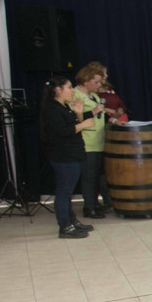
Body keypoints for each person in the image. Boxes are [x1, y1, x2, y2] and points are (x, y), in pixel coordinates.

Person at [40, 76, 97, 239]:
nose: (72, 91)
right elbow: (62, 132)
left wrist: (79, 114)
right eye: (69, 87)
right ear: (58, 90)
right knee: (64, 192)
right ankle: (64, 226)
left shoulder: (63, 107)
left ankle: (71, 221)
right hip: (63, 157)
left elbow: (72, 127)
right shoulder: (52, 109)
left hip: (72, 154)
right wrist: (83, 123)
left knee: (68, 191)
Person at [73, 65, 109, 218]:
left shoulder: (93, 95)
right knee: (89, 176)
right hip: (87, 142)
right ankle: (89, 207)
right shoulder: (76, 95)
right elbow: (75, 118)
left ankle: (95, 203)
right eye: (96, 82)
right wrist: (92, 112)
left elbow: (101, 115)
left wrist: (112, 118)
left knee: (96, 176)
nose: (99, 85)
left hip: (99, 141)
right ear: (86, 80)